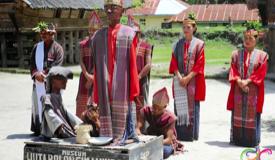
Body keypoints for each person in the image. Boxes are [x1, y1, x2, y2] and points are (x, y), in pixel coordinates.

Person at [91, 0, 140, 145]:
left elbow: (132, 64)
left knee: (123, 113)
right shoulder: (98, 36)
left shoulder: (128, 34)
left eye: (113, 8)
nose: (109, 11)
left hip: (122, 84)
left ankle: (123, 135)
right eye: (106, 8)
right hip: (105, 84)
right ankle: (107, 136)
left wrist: (134, 89)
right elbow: (96, 66)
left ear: (122, 11)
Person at [227, 27, 268, 147]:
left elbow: (261, 72)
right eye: (245, 38)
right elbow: (233, 70)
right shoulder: (236, 54)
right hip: (238, 90)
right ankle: (238, 139)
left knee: (253, 114)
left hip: (253, 91)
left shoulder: (262, 56)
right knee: (237, 113)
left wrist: (247, 81)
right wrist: (240, 81)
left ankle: (251, 140)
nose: (247, 41)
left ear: (256, 40)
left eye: (250, 38)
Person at [169, 14, 205, 141]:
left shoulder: (199, 44)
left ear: (194, 28)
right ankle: (180, 134)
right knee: (179, 106)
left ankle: (191, 134)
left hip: (193, 81)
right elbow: (173, 63)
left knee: (192, 107)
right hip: (179, 80)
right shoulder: (177, 44)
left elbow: (200, 64)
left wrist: (188, 78)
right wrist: (180, 77)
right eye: (184, 27)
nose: (185, 29)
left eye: (188, 27)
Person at [30, 22, 64, 135]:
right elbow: (32, 64)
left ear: (53, 34)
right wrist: (36, 74)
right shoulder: (36, 47)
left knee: (51, 107)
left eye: (48, 33)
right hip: (38, 81)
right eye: (43, 33)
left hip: (51, 83)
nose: (45, 35)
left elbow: (56, 66)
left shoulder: (58, 49)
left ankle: (52, 130)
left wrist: (43, 75)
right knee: (37, 105)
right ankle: (38, 128)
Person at [136, 87, 184, 159]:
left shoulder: (170, 117)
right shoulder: (146, 110)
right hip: (149, 138)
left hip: (163, 142)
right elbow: (137, 128)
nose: (155, 110)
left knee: (164, 151)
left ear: (165, 107)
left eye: (159, 109)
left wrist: (154, 143)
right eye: (154, 107)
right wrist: (140, 136)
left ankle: (170, 150)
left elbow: (168, 140)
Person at [41, 66, 82, 138]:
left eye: (65, 79)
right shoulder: (46, 98)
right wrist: (58, 124)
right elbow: (48, 113)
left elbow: (66, 113)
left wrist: (79, 123)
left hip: (64, 126)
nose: (65, 81)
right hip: (54, 131)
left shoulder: (59, 97)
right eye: (61, 78)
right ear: (53, 81)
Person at [76, 11, 102, 118]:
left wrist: (94, 77)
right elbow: (81, 61)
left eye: (95, 30)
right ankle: (81, 121)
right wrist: (87, 75)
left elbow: (101, 62)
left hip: (98, 76)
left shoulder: (102, 45)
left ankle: (96, 123)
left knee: (96, 100)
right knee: (82, 98)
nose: (92, 32)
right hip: (85, 76)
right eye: (90, 30)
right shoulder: (83, 44)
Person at [127, 15, 153, 107]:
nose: (132, 35)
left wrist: (138, 76)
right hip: (128, 80)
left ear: (139, 33)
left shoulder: (146, 46)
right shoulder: (126, 46)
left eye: (135, 33)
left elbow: (148, 65)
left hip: (141, 79)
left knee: (141, 105)